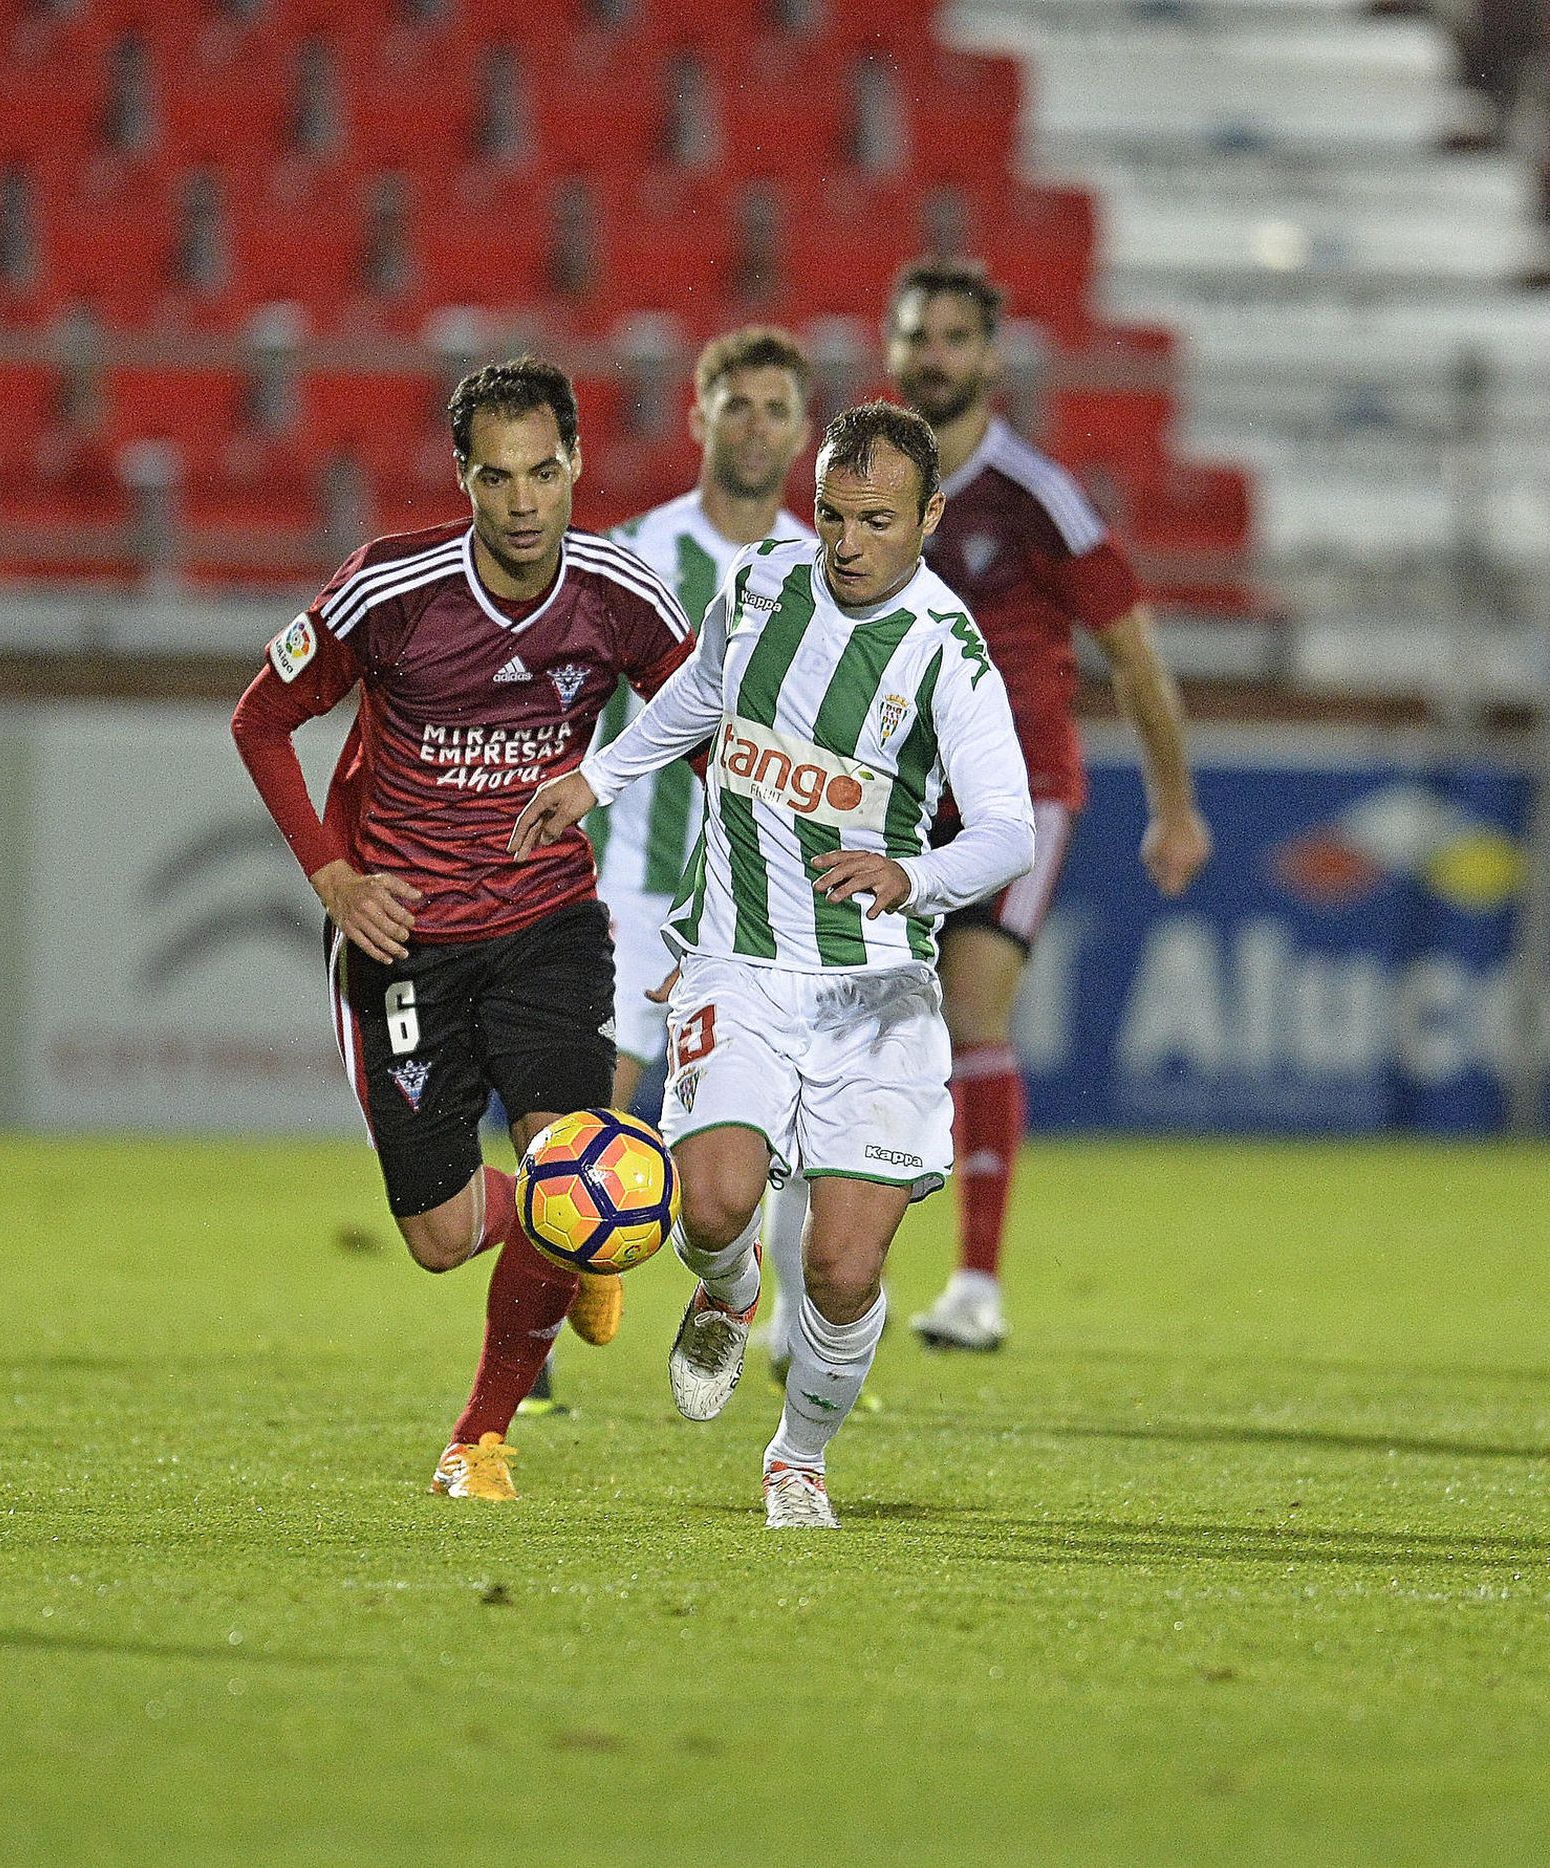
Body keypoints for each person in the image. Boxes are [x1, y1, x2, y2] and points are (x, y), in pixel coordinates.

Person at [512, 402, 1036, 1529]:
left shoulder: (947, 651)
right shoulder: (760, 585)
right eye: (833, 515)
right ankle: (728, 1289)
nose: (847, 542)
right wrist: (599, 779)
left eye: (878, 522)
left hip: (873, 987)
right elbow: (699, 695)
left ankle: (797, 1457)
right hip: (737, 958)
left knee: (844, 1268)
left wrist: (912, 873)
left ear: (929, 519)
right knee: (712, 1206)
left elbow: (1009, 831)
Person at [230, 356, 695, 1500]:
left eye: (543, 472)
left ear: (576, 462)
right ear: (462, 478)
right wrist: (334, 876)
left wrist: (717, 888)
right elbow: (260, 719)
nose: (524, 502)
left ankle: (479, 1438)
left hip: (546, 918)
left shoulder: (621, 593)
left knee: (560, 1153)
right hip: (404, 935)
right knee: (441, 1235)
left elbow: (704, 719)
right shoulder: (389, 589)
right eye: (497, 477)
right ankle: (583, 1220)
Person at [883, 257, 1213, 1352]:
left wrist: (1174, 805)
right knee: (848, 1017)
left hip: (1012, 793)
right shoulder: (866, 485)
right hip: (885, 794)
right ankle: (816, 1282)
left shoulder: (1038, 498)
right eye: (917, 335)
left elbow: (1133, 651)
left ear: (990, 357)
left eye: (953, 338)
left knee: (972, 1006)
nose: (934, 356)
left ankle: (975, 1284)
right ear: (891, 348)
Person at [521, 327, 817, 1415]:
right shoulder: (631, 555)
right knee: (574, 1119)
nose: (755, 426)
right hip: (630, 888)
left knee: (767, 1133)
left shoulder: (823, 568)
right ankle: (536, 1333)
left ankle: (765, 1314)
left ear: (802, 429)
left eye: (776, 408)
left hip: (759, 902)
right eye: (737, 404)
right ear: (698, 416)